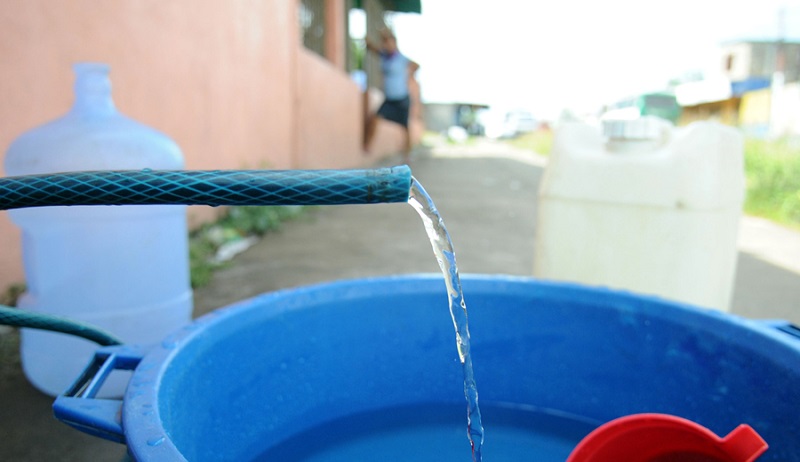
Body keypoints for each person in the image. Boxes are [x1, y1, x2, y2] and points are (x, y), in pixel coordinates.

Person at [364, 28, 419, 164]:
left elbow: (417, 65)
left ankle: (407, 154)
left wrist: (410, 74)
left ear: (394, 43)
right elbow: (373, 48)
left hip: (402, 98)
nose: (387, 45)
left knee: (405, 128)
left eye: (389, 42)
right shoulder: (384, 56)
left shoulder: (401, 59)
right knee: (375, 118)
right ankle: (367, 147)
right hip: (389, 99)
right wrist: (369, 42)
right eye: (385, 42)